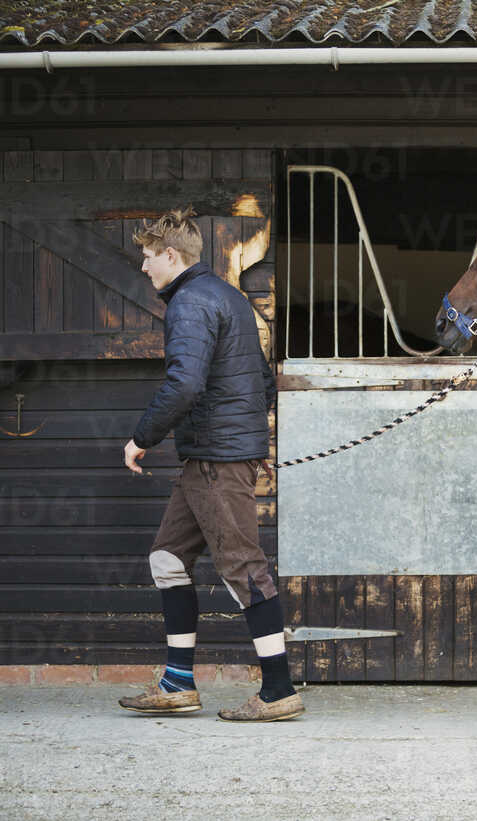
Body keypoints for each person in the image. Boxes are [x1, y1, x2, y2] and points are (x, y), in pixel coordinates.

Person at [118, 207, 304, 722]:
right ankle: (178, 683)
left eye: (149, 257)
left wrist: (141, 438)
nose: (144, 267)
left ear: (172, 256)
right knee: (168, 560)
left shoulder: (189, 303)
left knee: (244, 568)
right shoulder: (229, 299)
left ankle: (278, 690)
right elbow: (262, 383)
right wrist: (247, 443)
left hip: (215, 462)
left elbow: (184, 383)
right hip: (214, 457)